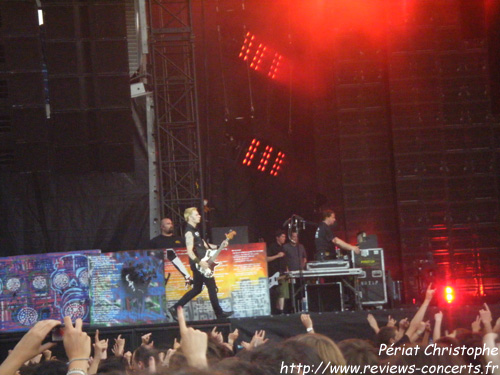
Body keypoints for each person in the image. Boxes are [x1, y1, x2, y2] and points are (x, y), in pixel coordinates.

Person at [168, 207, 233, 320]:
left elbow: (206, 246)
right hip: (199, 265)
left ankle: (175, 307)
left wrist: (220, 246)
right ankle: (219, 314)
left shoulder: (196, 231)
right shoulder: (189, 233)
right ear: (189, 217)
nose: (199, 216)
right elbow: (189, 252)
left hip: (202, 264)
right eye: (196, 214)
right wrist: (200, 263)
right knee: (211, 287)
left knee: (197, 289)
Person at [149, 217, 191, 282]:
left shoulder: (180, 239)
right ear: (162, 227)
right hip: (163, 272)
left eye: (171, 224)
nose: (171, 225)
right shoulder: (155, 241)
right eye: (168, 224)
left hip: (180, 274)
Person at [267, 229, 288, 314]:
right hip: (273, 275)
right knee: (276, 295)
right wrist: (277, 256)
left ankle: (281, 311)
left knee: (283, 294)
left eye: (285, 237)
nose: (284, 238)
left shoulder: (284, 247)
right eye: (282, 237)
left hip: (282, 274)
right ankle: (278, 311)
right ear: (277, 238)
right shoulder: (272, 247)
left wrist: (287, 269)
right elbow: (266, 259)